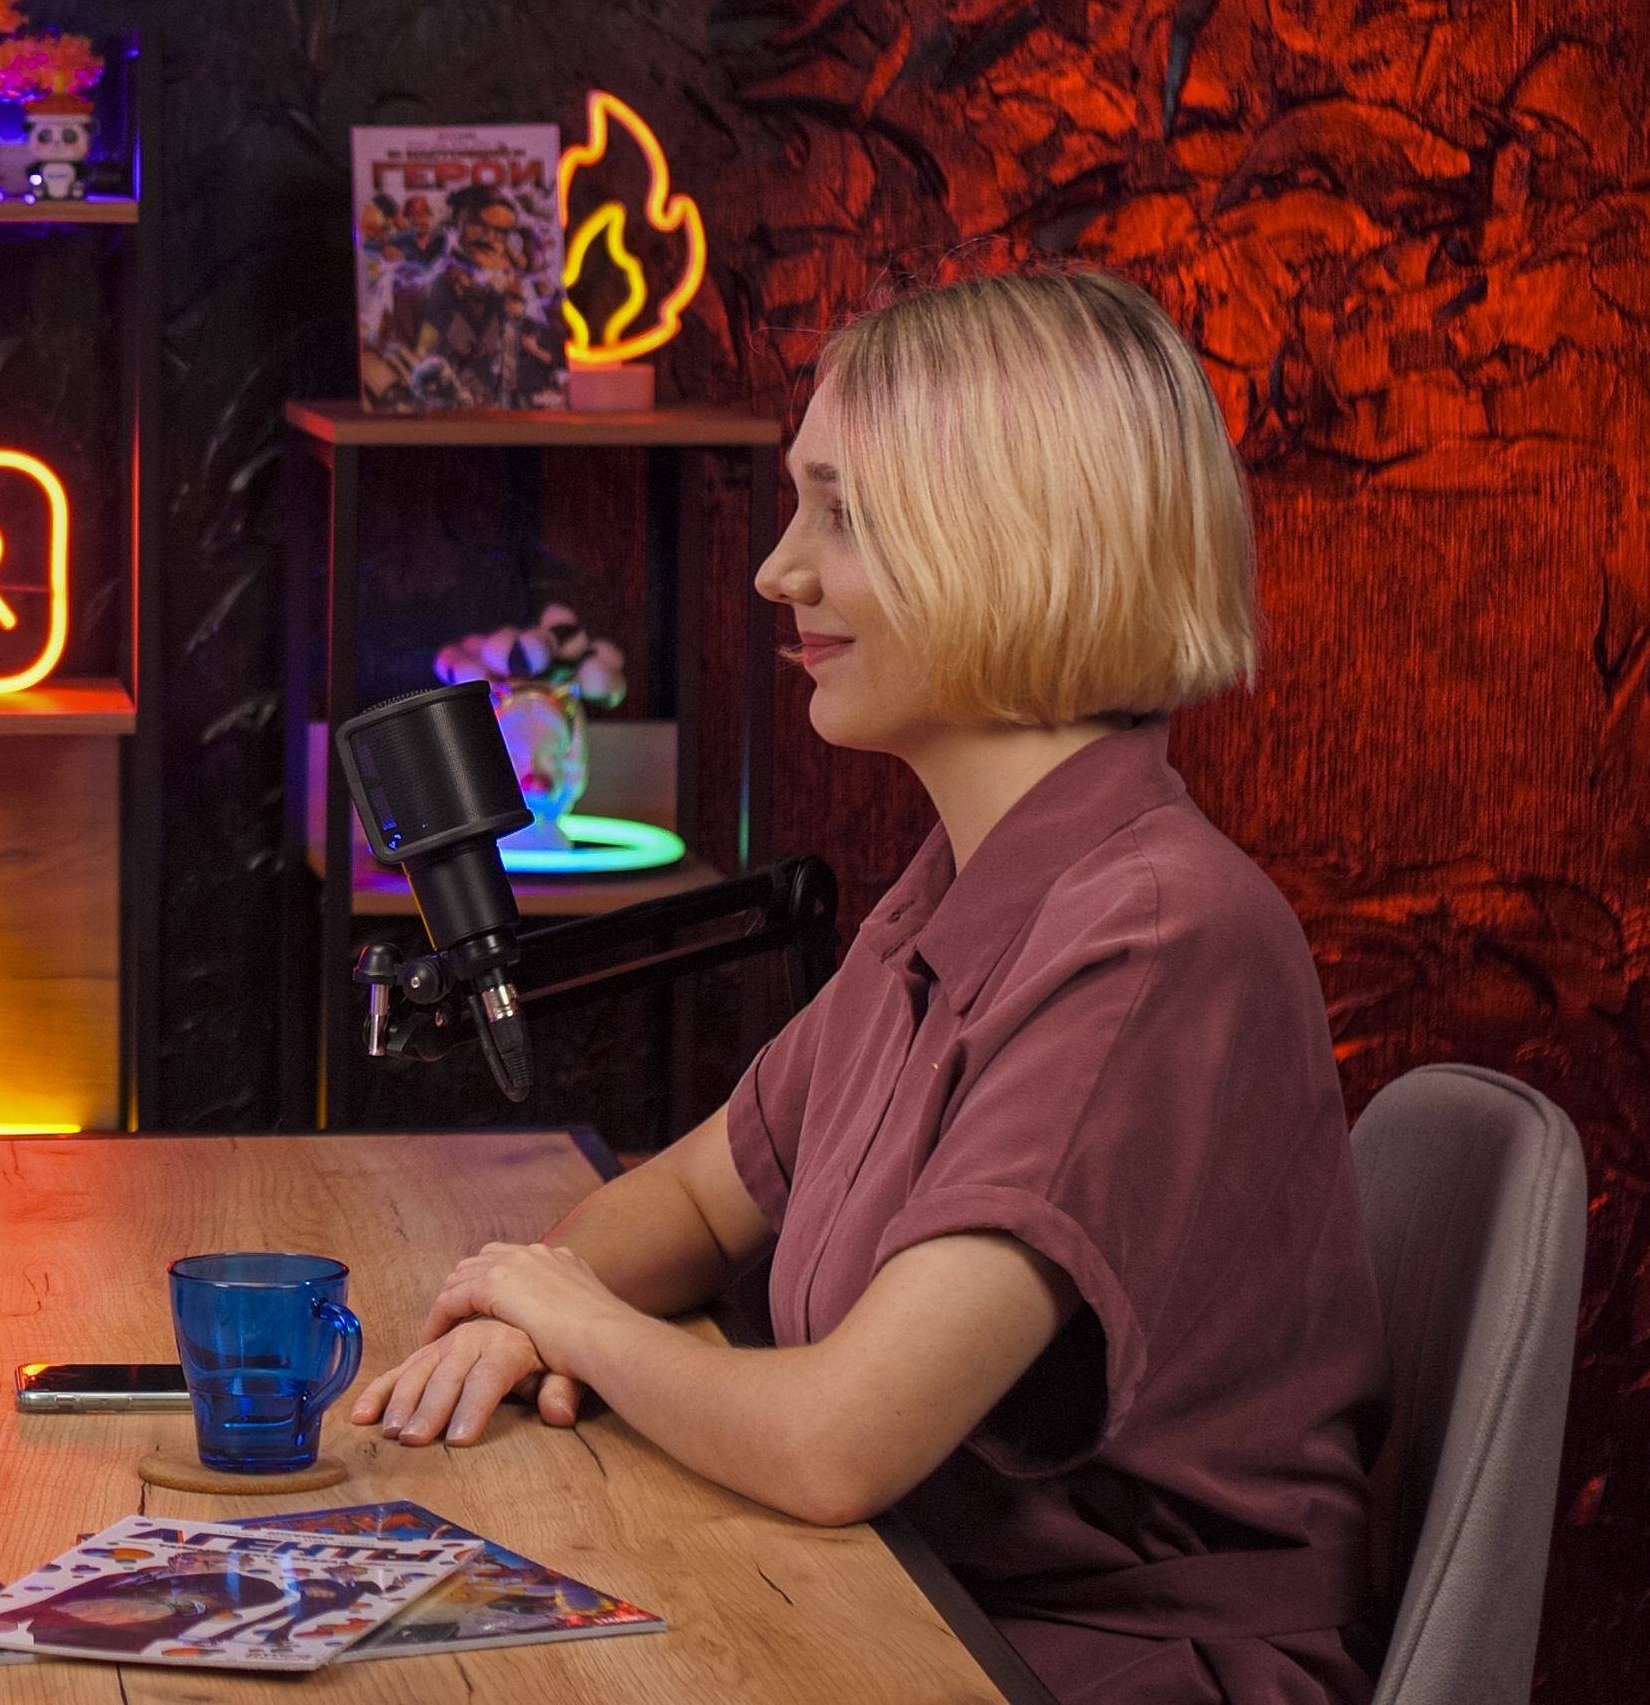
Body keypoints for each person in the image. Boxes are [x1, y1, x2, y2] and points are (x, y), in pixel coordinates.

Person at [351, 259, 1389, 1702]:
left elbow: (836, 1440)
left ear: (1012, 539)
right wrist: (528, 1311)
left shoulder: (1156, 940)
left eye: (839, 513)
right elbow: (700, 1196)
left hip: (1086, 1665)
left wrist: (571, 1314)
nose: (779, 571)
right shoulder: (957, 885)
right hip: (906, 1601)